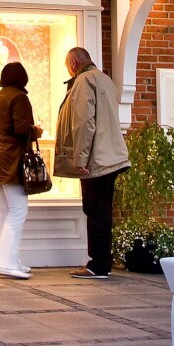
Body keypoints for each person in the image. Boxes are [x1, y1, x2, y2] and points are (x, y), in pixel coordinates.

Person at [53, 46, 129, 279]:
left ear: (73, 64)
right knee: (102, 211)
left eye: (68, 66)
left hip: (96, 160)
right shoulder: (105, 79)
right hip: (111, 157)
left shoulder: (84, 81)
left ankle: (97, 265)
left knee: (95, 211)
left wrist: (80, 158)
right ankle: (101, 263)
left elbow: (84, 122)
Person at [0, 61, 42, 280]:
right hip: (12, 159)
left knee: (6, 211)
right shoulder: (19, 97)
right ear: (22, 79)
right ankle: (6, 262)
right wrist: (35, 130)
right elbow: (20, 128)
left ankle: (9, 259)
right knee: (18, 211)